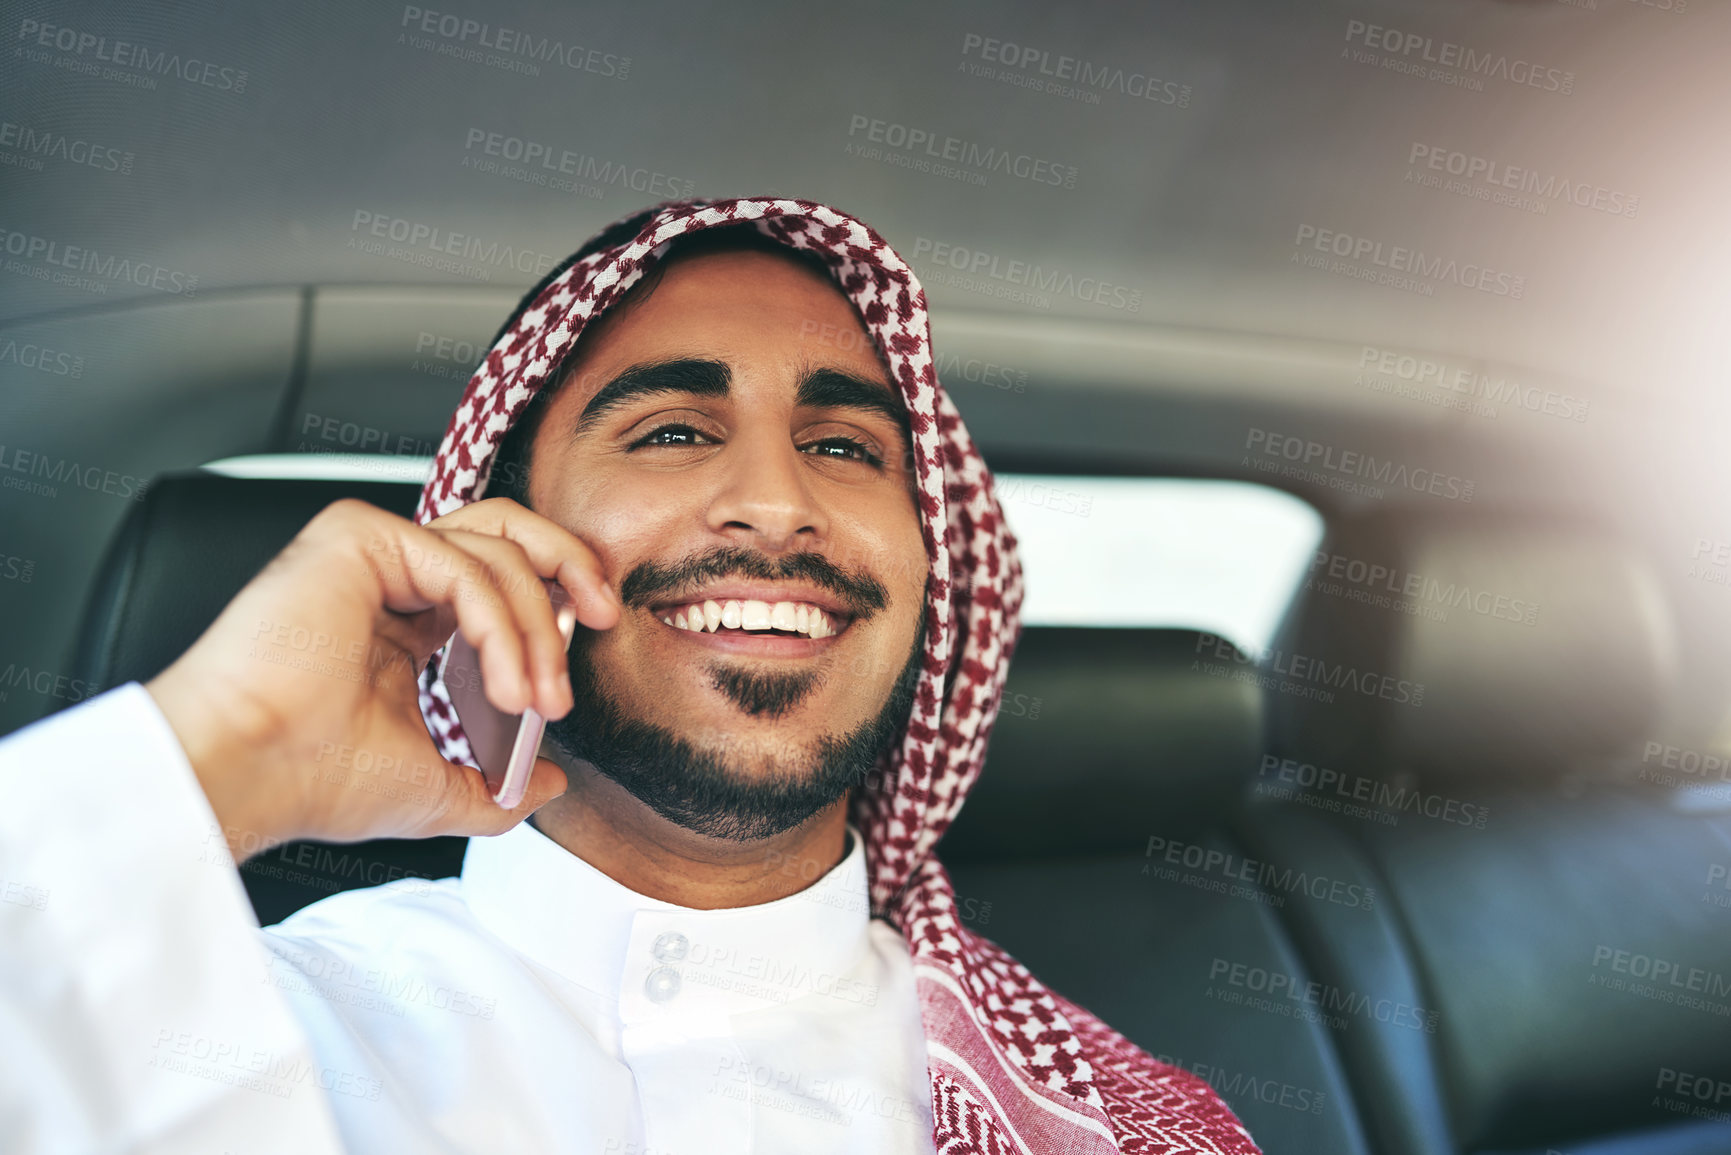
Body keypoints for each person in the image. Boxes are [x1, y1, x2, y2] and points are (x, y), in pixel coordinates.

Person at [0, 197, 1261, 1154]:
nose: (776, 503)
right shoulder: (214, 1028)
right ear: (496, 545)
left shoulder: (1117, 1117)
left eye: (841, 445)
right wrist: (228, 754)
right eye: (672, 432)